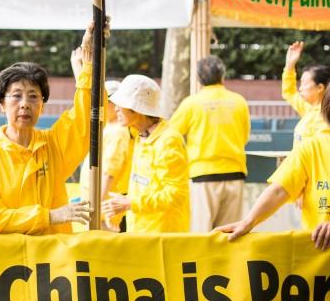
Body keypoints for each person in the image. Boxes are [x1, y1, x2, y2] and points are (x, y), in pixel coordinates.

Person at [0, 24, 94, 235]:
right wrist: (50, 216)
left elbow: (88, 117)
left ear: (42, 105)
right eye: (16, 96)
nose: (25, 104)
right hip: (6, 263)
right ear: (2, 104)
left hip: (51, 263)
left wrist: (88, 65)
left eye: (33, 96)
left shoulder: (53, 145)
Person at [217, 70, 330, 250]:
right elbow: (279, 190)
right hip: (324, 261)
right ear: (329, 105)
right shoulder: (312, 148)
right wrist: (248, 222)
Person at [169, 56, 250, 231]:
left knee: (201, 235)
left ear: (199, 79)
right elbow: (244, 137)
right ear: (223, 76)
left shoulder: (191, 103)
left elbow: (170, 135)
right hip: (235, 174)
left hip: (202, 177)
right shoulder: (239, 101)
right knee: (229, 236)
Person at [101, 75, 189, 233]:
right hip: (142, 233)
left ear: (137, 109)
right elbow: (139, 186)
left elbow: (176, 195)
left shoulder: (168, 140)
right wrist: (120, 210)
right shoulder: (141, 136)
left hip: (163, 237)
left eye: (121, 104)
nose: (116, 108)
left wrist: (129, 204)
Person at [79, 79, 136, 232]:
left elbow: (109, 173)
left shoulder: (118, 132)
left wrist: (97, 209)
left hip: (105, 208)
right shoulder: (108, 127)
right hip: (100, 204)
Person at [282, 41, 330, 147]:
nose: (300, 88)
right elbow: (289, 93)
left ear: (320, 88)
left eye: (305, 83)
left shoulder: (325, 117)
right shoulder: (309, 108)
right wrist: (289, 65)